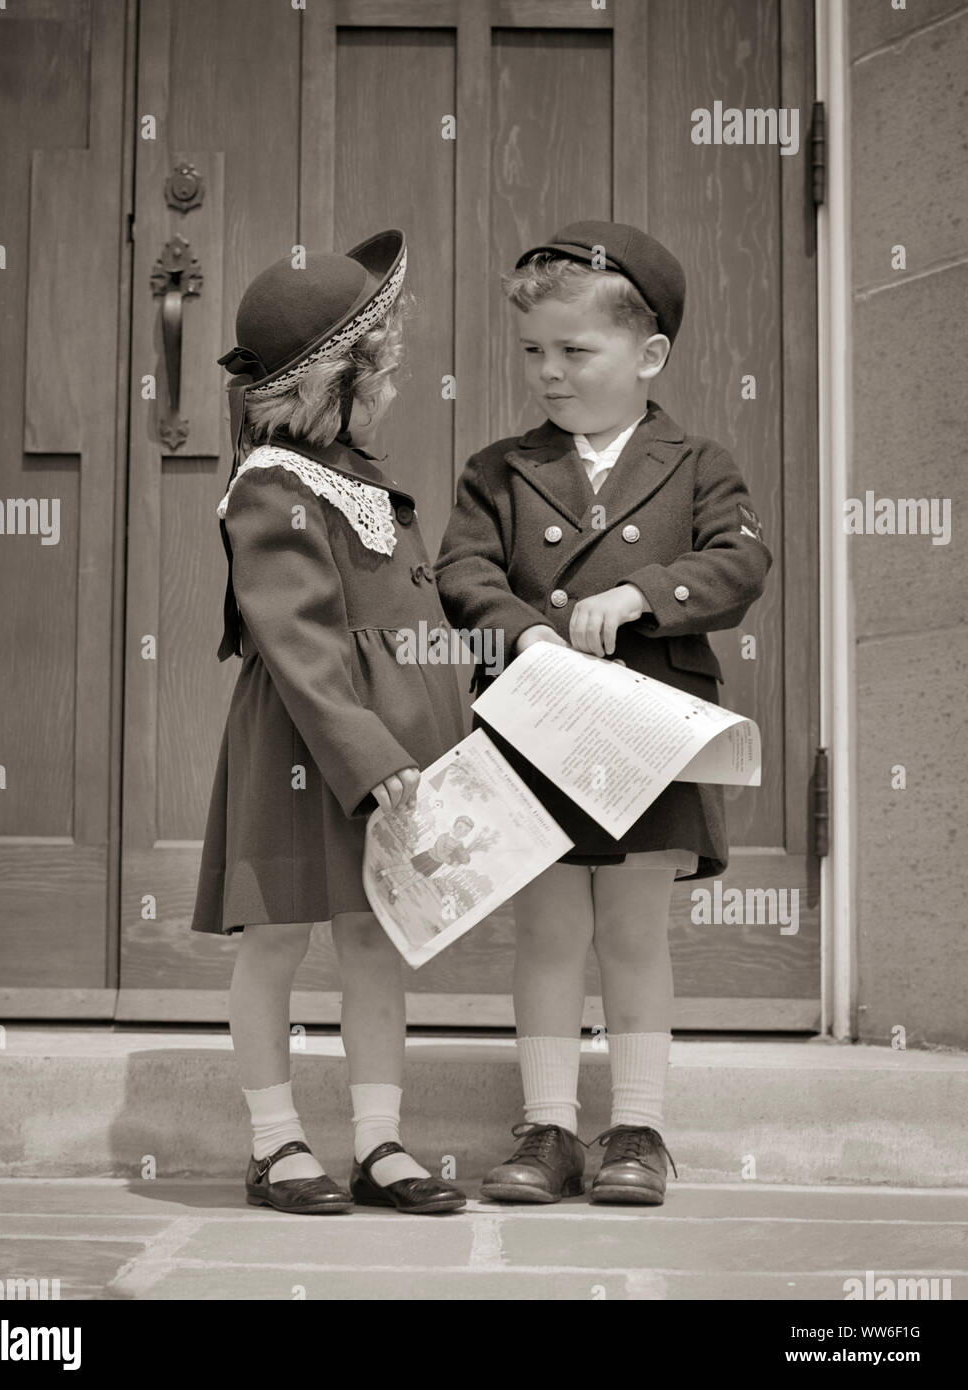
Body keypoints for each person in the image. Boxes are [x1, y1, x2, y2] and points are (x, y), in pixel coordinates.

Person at [435, 221, 773, 1206]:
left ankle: (637, 1129)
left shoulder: (697, 461)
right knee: (544, 929)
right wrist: (516, 631)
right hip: (537, 726)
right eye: (533, 351)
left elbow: (740, 562)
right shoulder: (496, 469)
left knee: (631, 930)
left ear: (647, 353)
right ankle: (546, 1126)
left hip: (648, 732)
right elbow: (460, 569)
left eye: (574, 351)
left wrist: (641, 594)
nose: (548, 372)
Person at [191, 229, 466, 1216]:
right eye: (382, 373)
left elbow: (417, 625)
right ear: (331, 382)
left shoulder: (364, 475)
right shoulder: (271, 484)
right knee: (274, 936)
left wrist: (454, 731)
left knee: (372, 937)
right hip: (304, 746)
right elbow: (297, 638)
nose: (391, 390)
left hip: (387, 756)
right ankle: (274, 1142)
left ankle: (379, 1140)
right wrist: (362, 747)